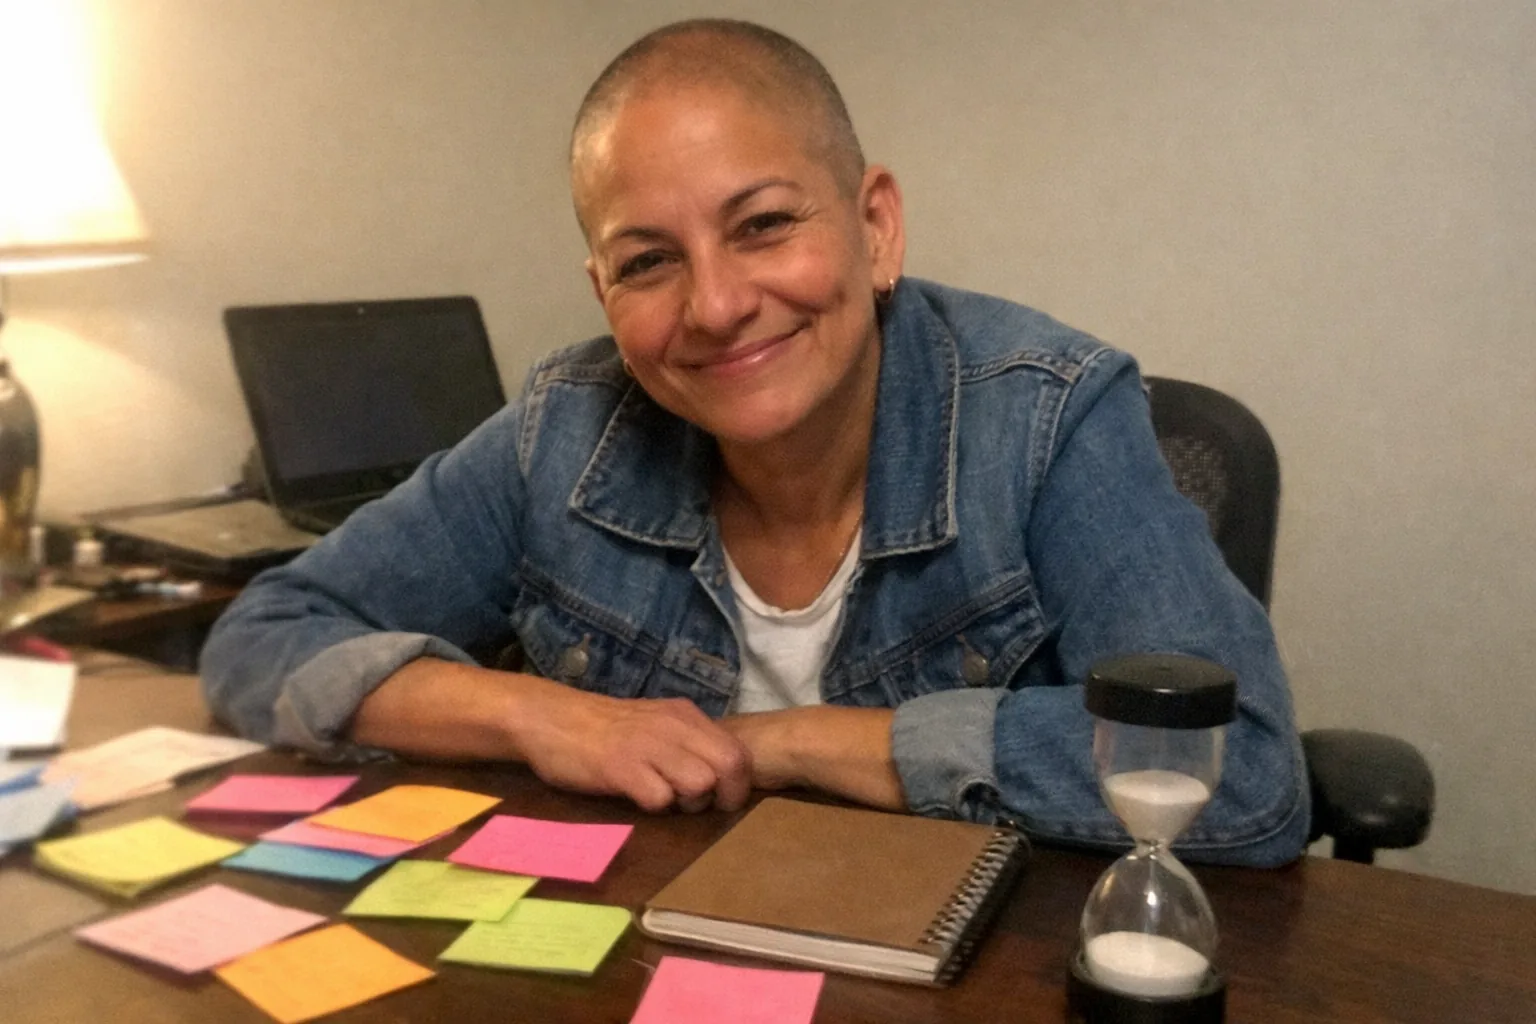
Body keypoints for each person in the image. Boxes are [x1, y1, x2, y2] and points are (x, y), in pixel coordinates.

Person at [200, 18, 1309, 866]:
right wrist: (540, 715)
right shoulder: (560, 429)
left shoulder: (1051, 415)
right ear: (603, 291)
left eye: (764, 224)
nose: (718, 305)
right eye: (648, 261)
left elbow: (1248, 775)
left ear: (875, 227)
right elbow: (264, 636)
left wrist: (794, 742)